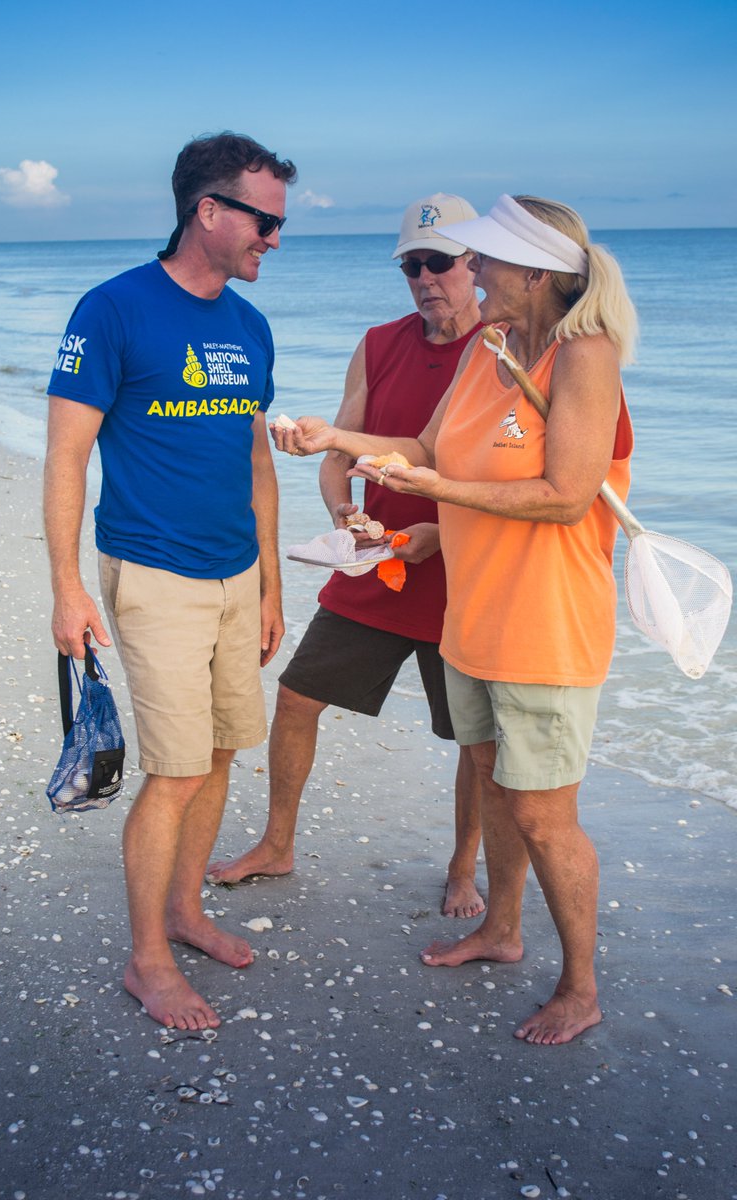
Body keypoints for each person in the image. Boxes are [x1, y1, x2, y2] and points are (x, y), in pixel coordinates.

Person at [270, 193, 637, 1046]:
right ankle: (501, 931)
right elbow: (427, 451)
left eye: (485, 259)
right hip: (472, 616)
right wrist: (339, 440)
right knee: (501, 788)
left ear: (537, 274)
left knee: (546, 813)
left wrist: (436, 497)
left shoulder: (587, 355)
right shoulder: (494, 350)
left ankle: (580, 988)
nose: (470, 272)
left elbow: (566, 495)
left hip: (545, 622)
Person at [43, 132, 297, 1031]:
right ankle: (147, 961)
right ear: (209, 210)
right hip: (154, 574)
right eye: (264, 219)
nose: (275, 236)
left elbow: (256, 461)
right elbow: (68, 455)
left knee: (224, 751)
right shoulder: (112, 310)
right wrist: (68, 590)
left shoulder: (249, 324)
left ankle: (185, 911)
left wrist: (271, 583)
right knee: (176, 773)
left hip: (236, 576)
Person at [208, 193, 486, 918]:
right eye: (411, 265)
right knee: (297, 697)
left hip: (462, 573)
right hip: (373, 563)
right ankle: (277, 842)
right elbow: (340, 451)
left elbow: (504, 475)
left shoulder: (499, 349)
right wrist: (343, 512)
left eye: (440, 264)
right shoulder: (379, 341)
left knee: (475, 738)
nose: (426, 278)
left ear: (475, 265)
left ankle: (463, 867)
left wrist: (441, 528)